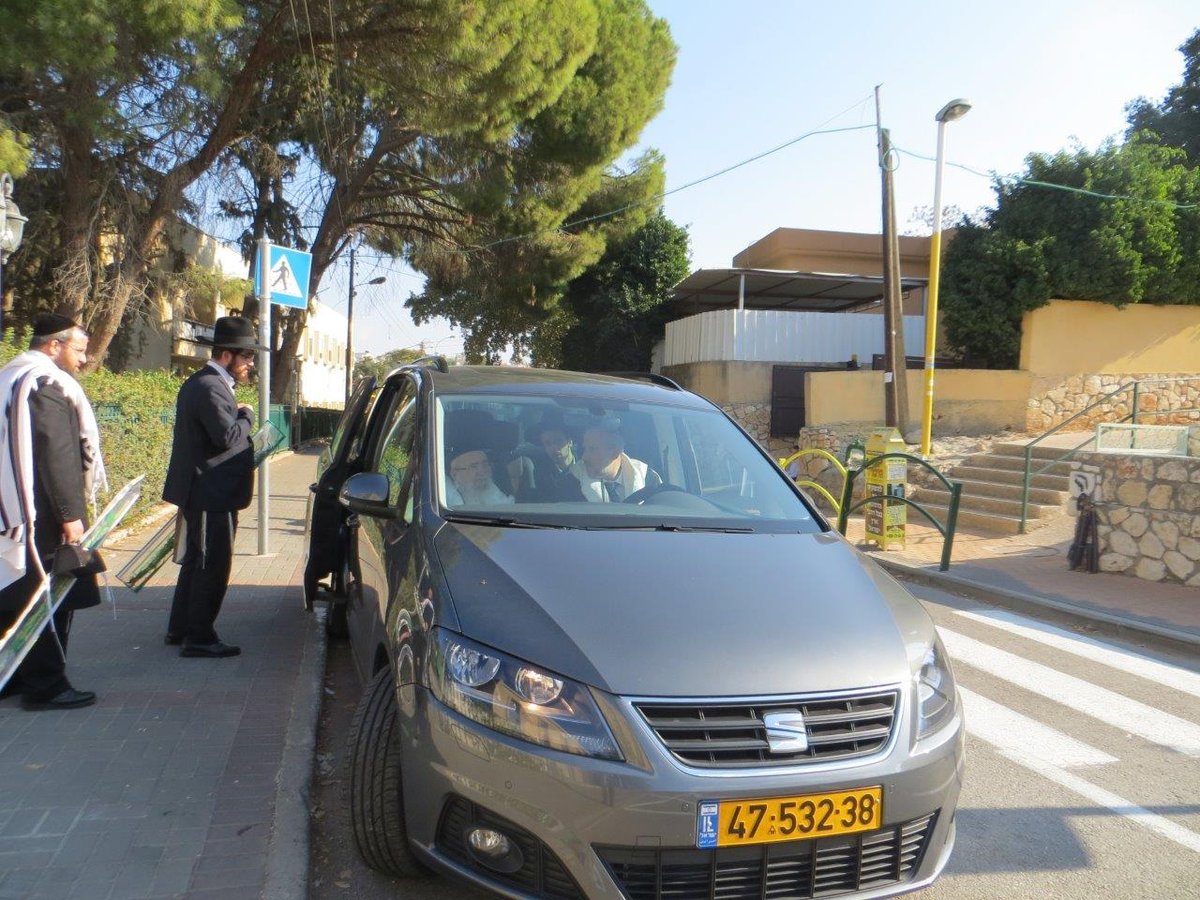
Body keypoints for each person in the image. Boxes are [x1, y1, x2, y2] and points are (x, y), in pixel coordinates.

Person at [0, 314, 107, 710]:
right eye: (79, 349)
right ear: (53, 346)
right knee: (48, 597)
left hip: (9, 510)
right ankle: (46, 685)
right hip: (40, 514)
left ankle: (11, 675)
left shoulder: (10, 376)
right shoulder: (46, 383)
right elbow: (55, 453)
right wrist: (70, 515)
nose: (84, 358)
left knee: (12, 594)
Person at [162, 316, 261, 658]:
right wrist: (246, 415)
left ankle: (181, 628)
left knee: (196, 561)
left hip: (208, 492)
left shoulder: (208, 384)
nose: (250, 364)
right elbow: (227, 436)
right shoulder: (209, 386)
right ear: (225, 355)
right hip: (209, 494)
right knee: (210, 566)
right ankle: (200, 638)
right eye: (247, 356)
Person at [571, 420, 661, 503]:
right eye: (584, 449)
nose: (584, 457)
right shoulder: (572, 480)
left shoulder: (648, 479)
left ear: (615, 452)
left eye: (592, 449)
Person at [512, 412, 586, 502]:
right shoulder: (535, 473)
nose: (554, 447)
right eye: (548, 443)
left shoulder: (586, 467)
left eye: (558, 441)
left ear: (570, 442)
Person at [445, 444, 513, 507]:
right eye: (473, 466)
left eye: (485, 464)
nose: (482, 471)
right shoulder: (445, 501)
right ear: (454, 474)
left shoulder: (493, 489)